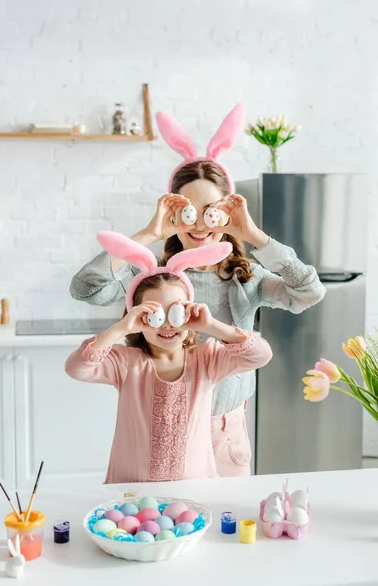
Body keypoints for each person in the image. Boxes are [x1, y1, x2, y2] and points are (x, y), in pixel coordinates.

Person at [70, 104, 326, 477]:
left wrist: (253, 235)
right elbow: (86, 288)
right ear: (173, 212)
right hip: (160, 429)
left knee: (225, 528)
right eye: (189, 210)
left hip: (225, 430)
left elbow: (309, 292)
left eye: (211, 209)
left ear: (226, 211)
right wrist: (147, 235)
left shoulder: (245, 277)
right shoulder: (151, 278)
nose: (201, 222)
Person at [65, 232, 272, 483]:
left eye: (175, 311)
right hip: (132, 491)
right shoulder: (126, 363)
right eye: (154, 315)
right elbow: (76, 368)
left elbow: (260, 355)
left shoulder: (207, 360)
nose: (165, 326)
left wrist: (212, 325)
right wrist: (121, 328)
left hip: (196, 491)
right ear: (138, 317)